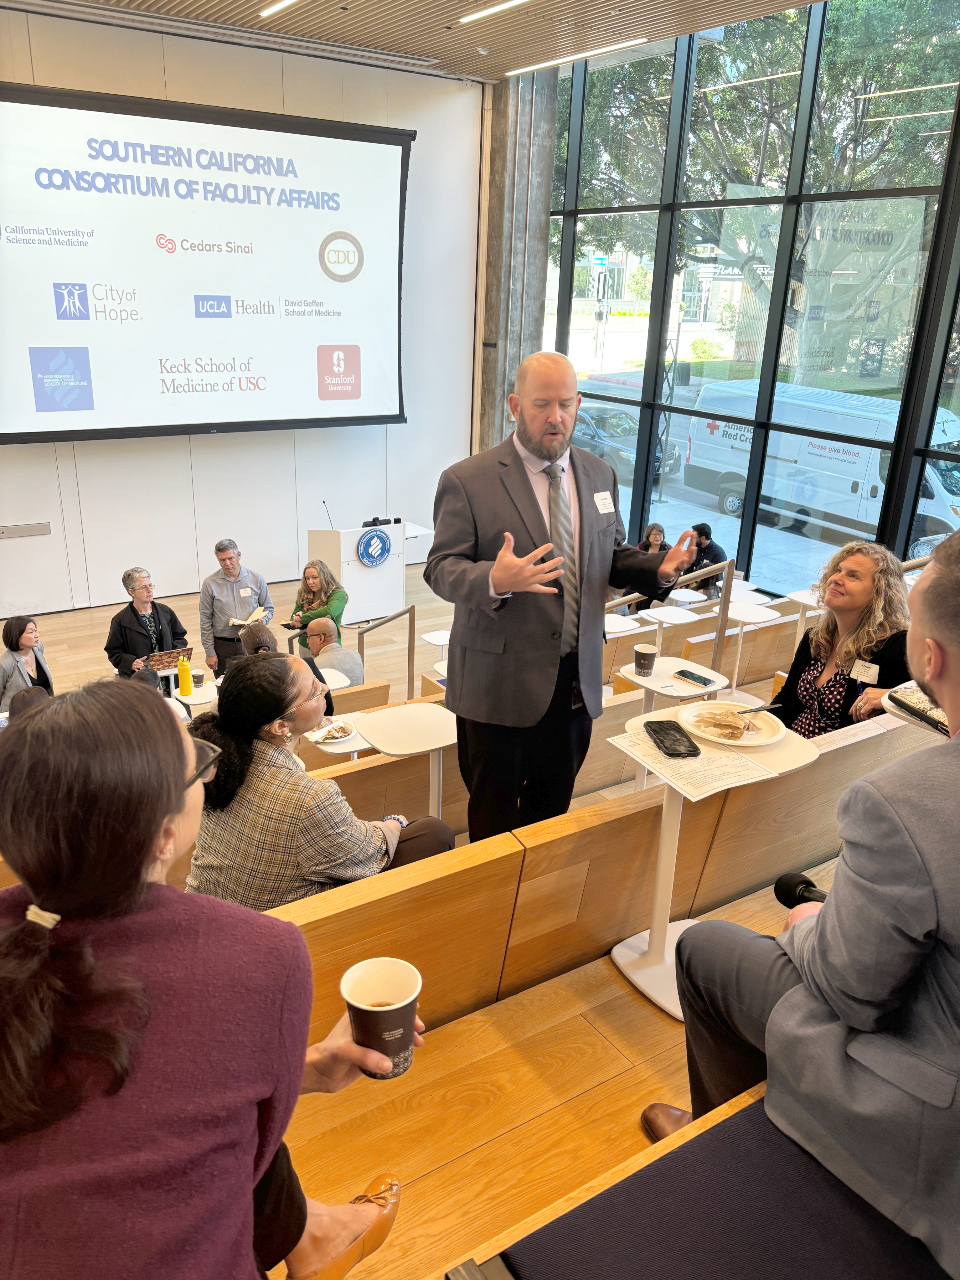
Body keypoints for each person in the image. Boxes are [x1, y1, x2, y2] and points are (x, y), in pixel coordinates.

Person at [0, 679, 406, 1280]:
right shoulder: (260, 952)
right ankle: (318, 1237)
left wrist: (313, 1067)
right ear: (165, 834)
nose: (209, 774)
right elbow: (250, 1156)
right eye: (197, 768)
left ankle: (318, 1234)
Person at [639, 530, 960, 1279]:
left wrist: (810, 923)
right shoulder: (815, 639)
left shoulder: (904, 801)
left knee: (708, 947)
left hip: (930, 1113)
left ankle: (734, 1150)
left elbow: (852, 989)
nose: (836, 581)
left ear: (929, 660)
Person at [424, 351, 697, 842]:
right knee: (494, 821)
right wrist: (494, 579)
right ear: (514, 405)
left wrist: (659, 568)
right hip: (499, 685)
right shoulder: (466, 481)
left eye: (566, 404)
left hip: (574, 682)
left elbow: (609, 555)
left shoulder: (598, 474)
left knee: (552, 814)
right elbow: (440, 568)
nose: (556, 417)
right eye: (542, 404)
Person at [186, 654, 454, 911]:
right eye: (314, 690)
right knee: (433, 833)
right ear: (280, 727)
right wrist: (394, 822)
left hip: (208, 907)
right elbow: (369, 854)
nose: (325, 687)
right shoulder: (309, 799)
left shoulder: (218, 760)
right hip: (275, 927)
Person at [769, 542, 910, 738]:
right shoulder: (815, 637)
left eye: (852, 576)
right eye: (838, 571)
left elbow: (933, 698)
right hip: (790, 746)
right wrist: (756, 726)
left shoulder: (895, 646)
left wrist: (894, 696)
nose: (836, 579)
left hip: (840, 759)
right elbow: (785, 701)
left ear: (879, 592)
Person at [200, 539, 274, 676]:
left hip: (252, 643)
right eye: (222, 560)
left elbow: (268, 608)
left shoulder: (257, 579)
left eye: (230, 558)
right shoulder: (209, 583)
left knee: (254, 683)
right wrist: (209, 651)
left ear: (238, 555)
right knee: (225, 688)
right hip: (223, 646)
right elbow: (205, 619)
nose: (227, 564)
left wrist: (264, 620)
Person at [104, 568, 189, 681]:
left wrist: (174, 653)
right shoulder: (120, 620)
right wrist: (131, 662)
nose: (150, 590)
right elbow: (113, 651)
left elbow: (179, 636)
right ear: (131, 592)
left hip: (169, 676)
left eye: (150, 585)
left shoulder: (165, 611)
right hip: (140, 680)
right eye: (144, 587)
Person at [0, 617, 54, 713]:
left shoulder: (38, 648)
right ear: (17, 637)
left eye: (35, 631)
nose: (36, 635)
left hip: (43, 710)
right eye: (31, 632)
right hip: (18, 716)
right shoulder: (5, 663)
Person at [291, 560, 348, 650]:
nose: (310, 582)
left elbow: (329, 612)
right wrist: (296, 618)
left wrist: (302, 619)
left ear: (324, 577)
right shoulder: (303, 593)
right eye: (307, 578)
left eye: (314, 577)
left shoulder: (338, 594)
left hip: (328, 645)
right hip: (305, 644)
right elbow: (293, 616)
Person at [305, 617, 365, 687]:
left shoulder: (314, 666)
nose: (307, 641)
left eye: (308, 637)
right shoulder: (356, 655)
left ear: (320, 638)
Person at [690, 523, 727, 596]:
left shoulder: (718, 553)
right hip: (695, 584)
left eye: (694, 538)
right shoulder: (695, 549)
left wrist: (695, 588)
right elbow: (689, 568)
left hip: (709, 589)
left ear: (702, 538)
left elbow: (717, 578)